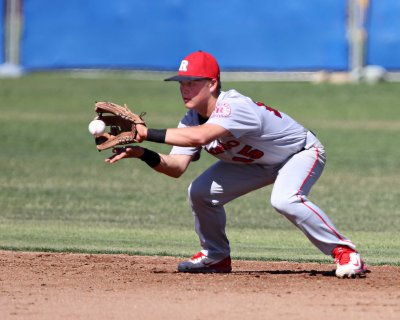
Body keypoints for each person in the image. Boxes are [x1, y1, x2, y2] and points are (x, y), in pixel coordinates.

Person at [105, 51, 367, 278]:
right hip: (255, 163)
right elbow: (176, 167)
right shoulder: (191, 119)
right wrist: (143, 153)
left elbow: (202, 137)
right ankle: (216, 256)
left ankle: (345, 252)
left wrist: (147, 132)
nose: (184, 88)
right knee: (199, 193)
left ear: (212, 83)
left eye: (192, 82)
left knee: (285, 199)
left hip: (299, 153)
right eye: (181, 83)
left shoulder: (233, 106)